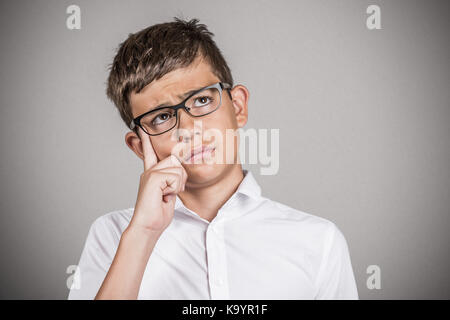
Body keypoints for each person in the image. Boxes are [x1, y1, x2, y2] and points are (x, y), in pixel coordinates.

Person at [68, 17, 358, 300]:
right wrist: (142, 234)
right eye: (162, 117)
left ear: (238, 106)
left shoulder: (319, 242)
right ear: (140, 147)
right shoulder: (114, 236)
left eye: (202, 100)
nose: (189, 129)